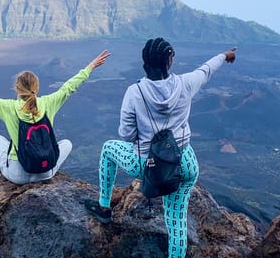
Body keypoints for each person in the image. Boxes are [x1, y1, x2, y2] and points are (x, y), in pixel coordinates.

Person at [84, 38, 236, 258]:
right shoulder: (186, 83)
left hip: (147, 164)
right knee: (176, 220)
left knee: (108, 149)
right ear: (169, 61)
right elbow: (206, 69)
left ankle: (104, 207)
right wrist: (225, 55)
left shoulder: (134, 92)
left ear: (145, 62)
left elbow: (125, 134)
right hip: (184, 164)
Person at [0, 50, 110, 185]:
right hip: (45, 172)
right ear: (37, 87)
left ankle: (12, 166)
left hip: (17, 175)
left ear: (16, 88)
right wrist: (90, 67)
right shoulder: (49, 103)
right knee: (67, 144)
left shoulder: (8, 107)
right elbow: (69, 87)